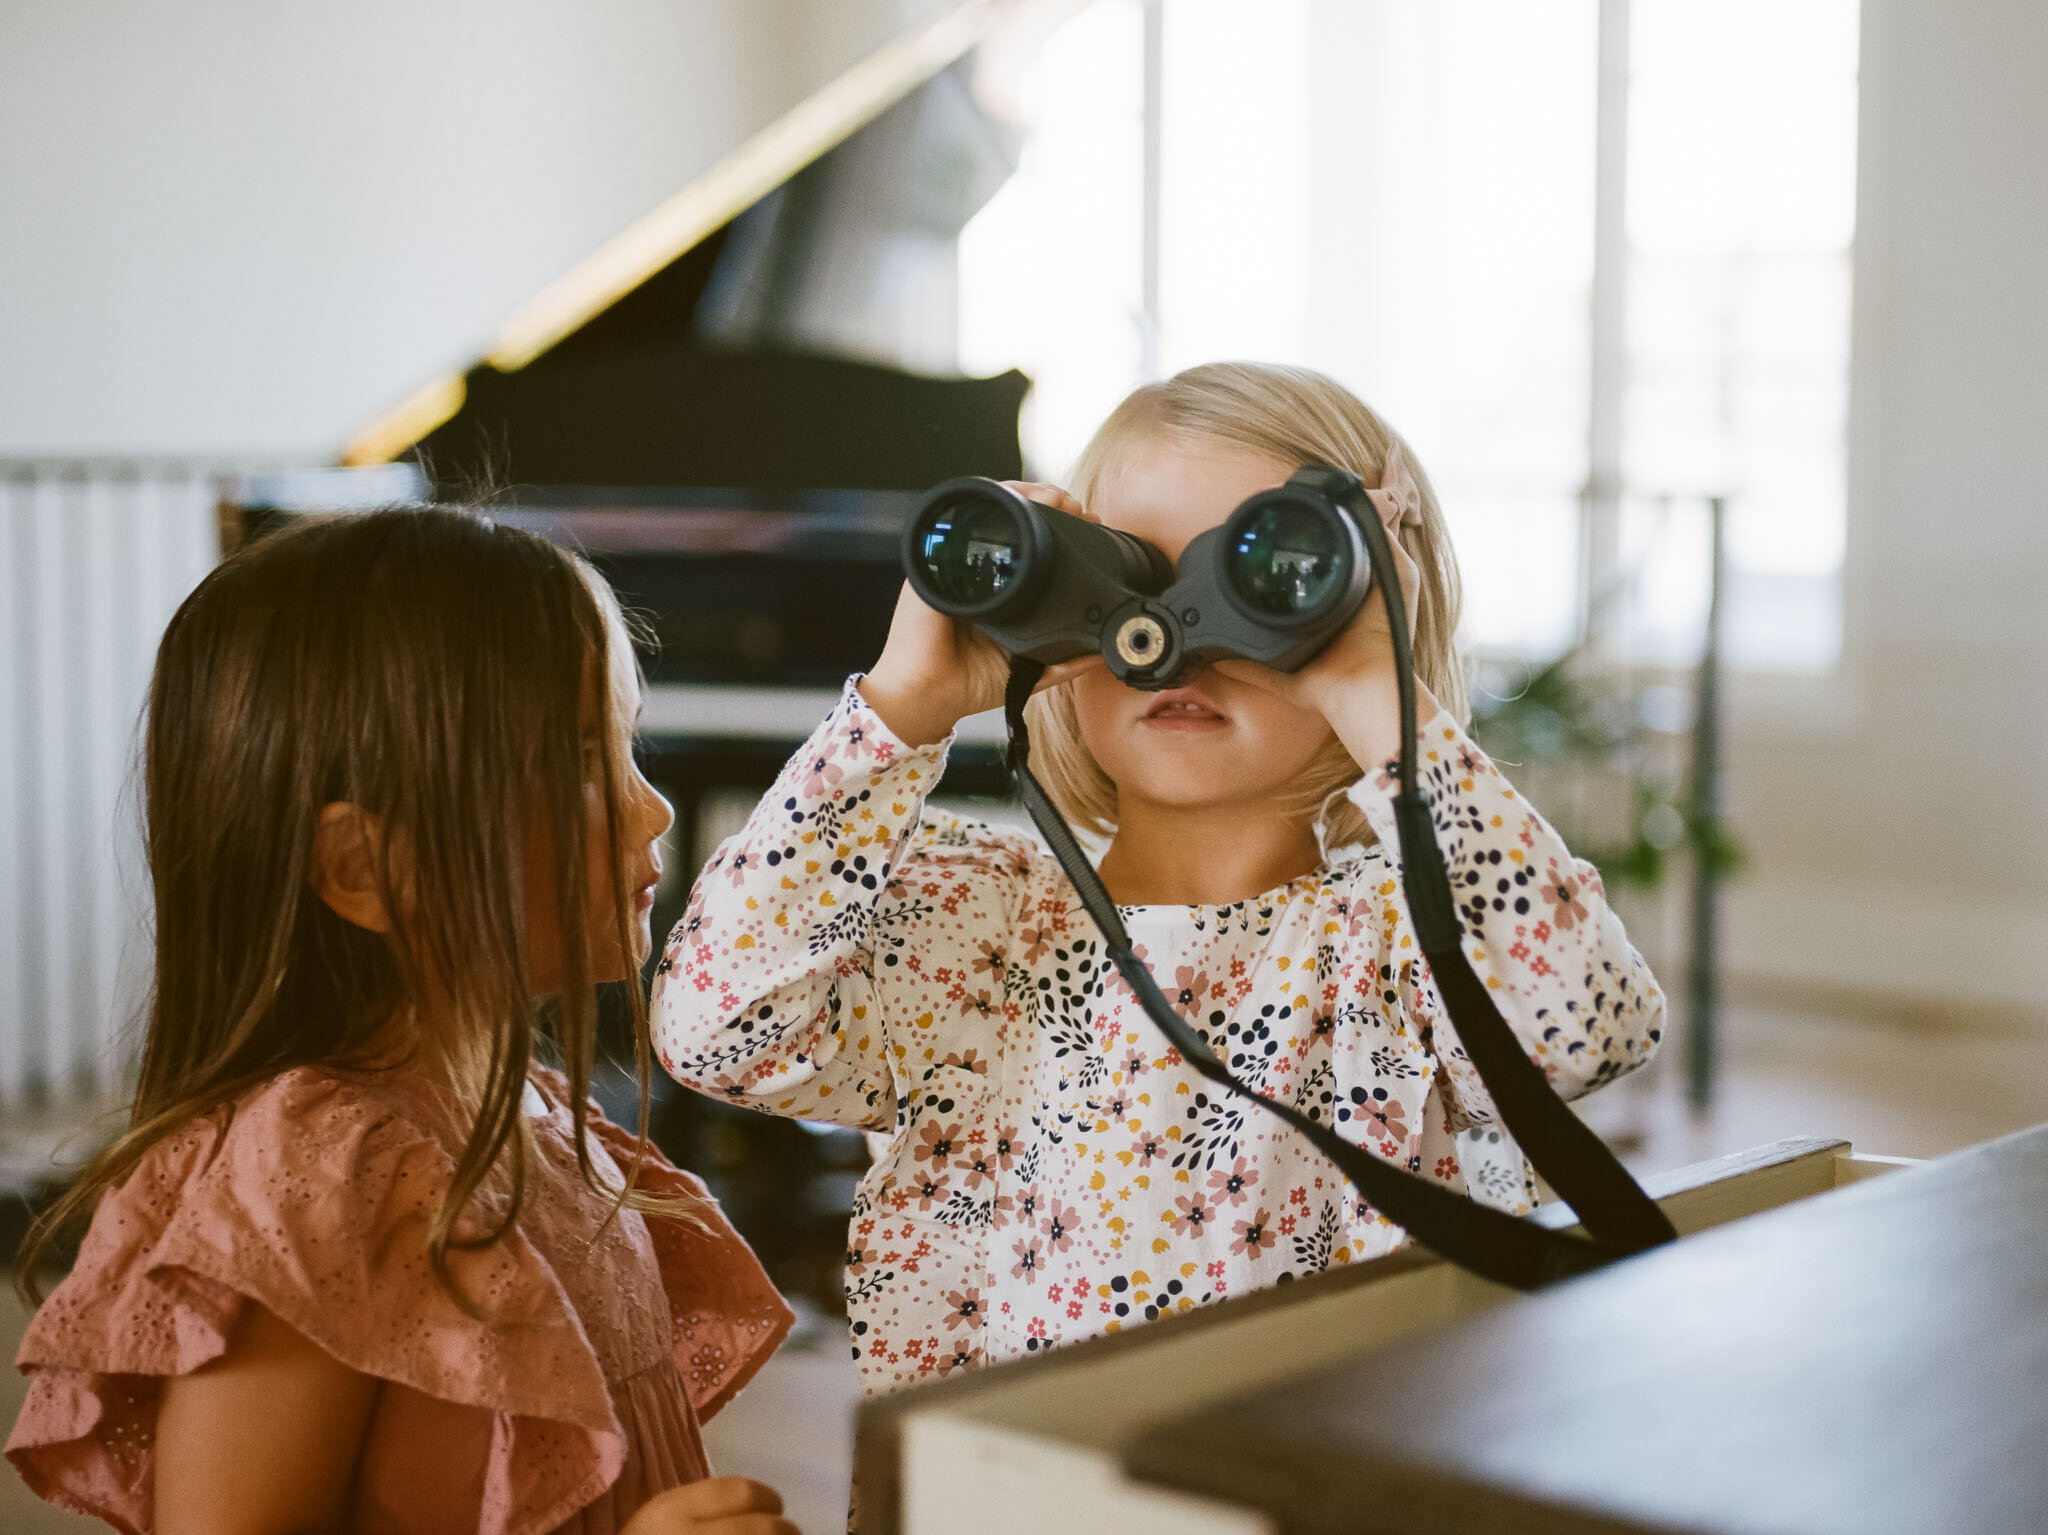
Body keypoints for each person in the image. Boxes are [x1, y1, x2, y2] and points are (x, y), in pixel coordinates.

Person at [652, 362, 1664, 1396]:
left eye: (1255, 583)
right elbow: (718, 1028)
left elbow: (1585, 1028)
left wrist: (1375, 694)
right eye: (1123, 580)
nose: (1178, 640)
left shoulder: (1405, 941)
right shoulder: (979, 920)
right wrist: (905, 700)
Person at [7, 511, 803, 1534]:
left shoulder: (548, 1132)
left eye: (627, 741)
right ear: (364, 868)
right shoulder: (318, 1183)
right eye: (578, 757)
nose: (651, 809)